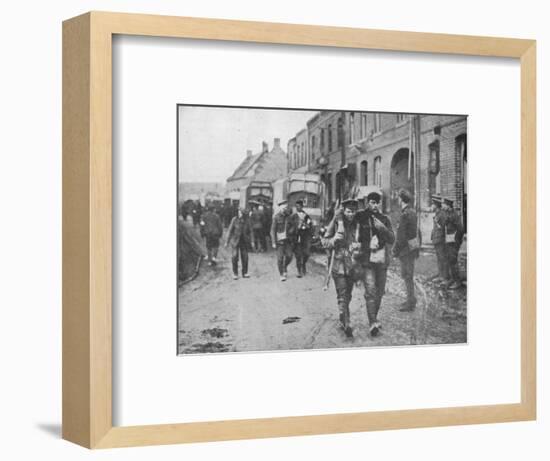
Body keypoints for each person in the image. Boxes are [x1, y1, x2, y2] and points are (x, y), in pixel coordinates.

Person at [320, 198, 363, 337]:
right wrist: (334, 240)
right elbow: (325, 241)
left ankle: (342, 314)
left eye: (353, 211)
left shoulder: (357, 224)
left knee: (348, 295)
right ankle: (346, 322)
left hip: (351, 264)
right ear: (344, 211)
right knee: (343, 294)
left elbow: (363, 242)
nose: (351, 214)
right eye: (349, 211)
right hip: (338, 264)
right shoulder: (337, 222)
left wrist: (359, 246)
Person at [355, 190, 395, 336]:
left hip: (381, 260)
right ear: (367, 203)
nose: (375, 205)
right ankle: (372, 322)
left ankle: (374, 317)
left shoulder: (384, 219)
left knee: (379, 291)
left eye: (377, 202)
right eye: (372, 202)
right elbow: (356, 238)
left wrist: (382, 229)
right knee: (371, 291)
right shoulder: (361, 217)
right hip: (367, 261)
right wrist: (366, 246)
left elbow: (392, 239)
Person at [392, 189, 419, 312]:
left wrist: (395, 251)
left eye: (398, 198)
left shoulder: (404, 215)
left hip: (405, 250)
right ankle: (411, 299)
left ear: (401, 200)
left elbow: (401, 237)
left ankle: (410, 302)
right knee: (409, 275)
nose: (397, 200)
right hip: (412, 248)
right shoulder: (413, 212)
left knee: (407, 276)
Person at [442, 197, 465, 289]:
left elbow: (461, 229)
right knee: (450, 260)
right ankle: (452, 278)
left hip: (454, 242)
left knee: (453, 261)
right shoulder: (448, 213)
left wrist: (456, 240)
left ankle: (457, 281)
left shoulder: (454, 215)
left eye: (444, 204)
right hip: (449, 241)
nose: (443, 206)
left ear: (448, 205)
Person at [270, 199, 296, 281]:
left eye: (286, 207)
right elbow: (272, 230)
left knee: (289, 256)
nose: (285, 209)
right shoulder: (276, 217)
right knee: (280, 258)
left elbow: (293, 225)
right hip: (279, 241)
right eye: (283, 208)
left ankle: (285, 266)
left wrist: (291, 230)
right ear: (280, 208)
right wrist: (274, 242)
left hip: (287, 241)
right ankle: (281, 274)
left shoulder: (289, 216)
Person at [225, 207, 251, 280]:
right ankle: (235, 273)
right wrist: (227, 241)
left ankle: (245, 272)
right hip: (235, 241)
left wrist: (251, 241)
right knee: (234, 257)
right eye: (239, 212)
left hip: (244, 241)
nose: (239, 214)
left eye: (241, 213)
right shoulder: (234, 220)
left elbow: (250, 231)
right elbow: (230, 230)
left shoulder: (247, 221)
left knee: (245, 257)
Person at [291, 200, 313, 277]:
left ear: (302, 206)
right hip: (296, 238)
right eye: (296, 206)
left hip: (305, 237)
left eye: (299, 206)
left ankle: (303, 264)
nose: (298, 208)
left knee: (306, 254)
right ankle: (299, 271)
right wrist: (297, 227)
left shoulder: (306, 216)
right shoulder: (293, 216)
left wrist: (306, 226)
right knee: (298, 255)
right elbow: (290, 227)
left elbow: (310, 225)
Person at [430, 195, 448, 283]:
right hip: (436, 239)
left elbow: (443, 227)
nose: (431, 206)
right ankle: (440, 275)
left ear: (436, 205)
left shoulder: (442, 214)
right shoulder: (437, 214)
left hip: (440, 239)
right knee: (439, 258)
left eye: (432, 204)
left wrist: (437, 223)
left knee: (442, 258)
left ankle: (444, 277)